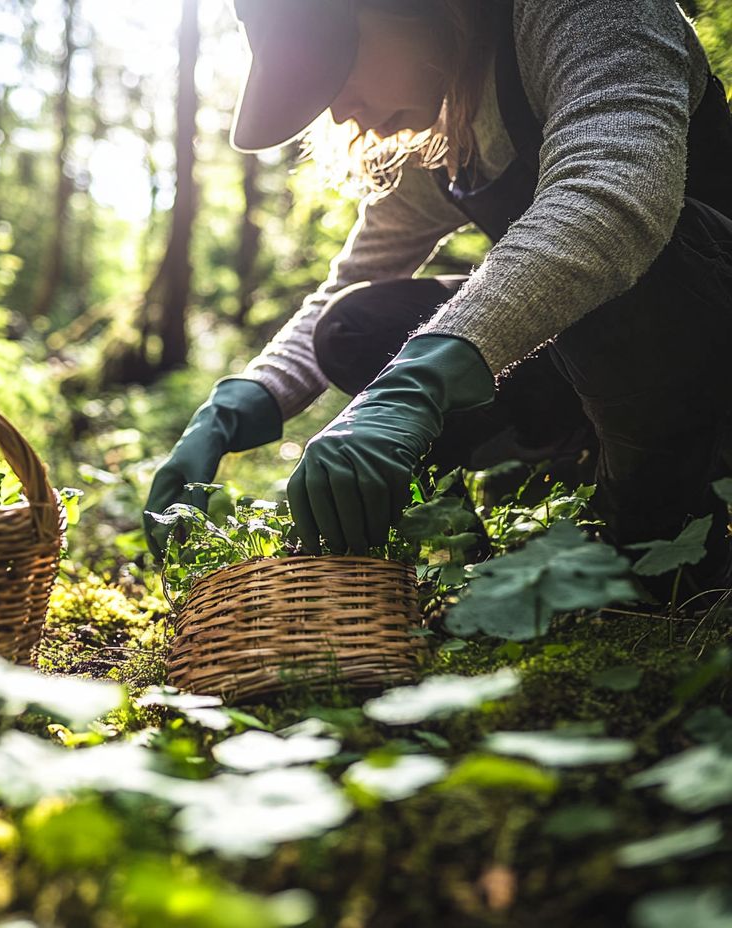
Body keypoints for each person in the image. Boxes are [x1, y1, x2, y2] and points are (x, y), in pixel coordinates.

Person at [144, 0, 732, 602]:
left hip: (702, 334)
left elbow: (612, 191)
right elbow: (354, 277)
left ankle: (660, 529)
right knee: (353, 326)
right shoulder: (449, 133)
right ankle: (538, 498)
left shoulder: (581, 14)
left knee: (590, 256)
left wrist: (421, 378)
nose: (339, 111)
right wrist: (243, 399)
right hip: (603, 371)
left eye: (336, 70)